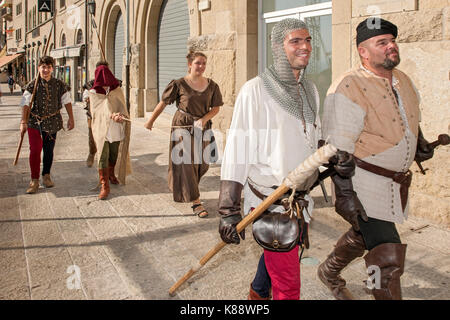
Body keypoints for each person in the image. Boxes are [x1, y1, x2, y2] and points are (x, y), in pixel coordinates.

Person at [318, 18, 435, 300]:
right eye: (381, 42)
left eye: (392, 40)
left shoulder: (403, 79)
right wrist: (344, 196)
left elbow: (408, 117)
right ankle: (380, 289)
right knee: (387, 255)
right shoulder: (350, 85)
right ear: (363, 51)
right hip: (363, 181)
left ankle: (328, 271)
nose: (391, 46)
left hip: (394, 184)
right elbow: (337, 148)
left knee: (364, 233)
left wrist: (418, 143)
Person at [217, 18, 323, 300]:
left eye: (308, 40)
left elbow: (313, 139)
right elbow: (238, 149)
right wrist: (228, 209)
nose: (306, 47)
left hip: (300, 200)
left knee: (279, 255)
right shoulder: (255, 90)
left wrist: (331, 161)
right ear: (277, 47)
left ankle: (257, 292)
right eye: (295, 41)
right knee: (288, 284)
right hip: (271, 202)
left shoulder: (310, 90)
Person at [144, 51, 223, 218]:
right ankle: (196, 201)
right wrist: (151, 121)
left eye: (203, 63)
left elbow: (216, 108)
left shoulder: (212, 85)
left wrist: (204, 119)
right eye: (197, 63)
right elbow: (163, 103)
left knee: (202, 164)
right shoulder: (179, 84)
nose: (201, 66)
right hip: (182, 126)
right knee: (187, 164)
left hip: (202, 128)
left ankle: (187, 187)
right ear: (189, 64)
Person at [19, 56, 75, 194]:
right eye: (43, 67)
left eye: (48, 67)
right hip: (34, 122)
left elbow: (66, 101)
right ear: (39, 68)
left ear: (52, 68)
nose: (45, 70)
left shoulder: (59, 84)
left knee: (49, 151)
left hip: (52, 122)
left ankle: (46, 175)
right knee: (35, 150)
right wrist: (23, 122)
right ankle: (34, 180)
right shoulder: (32, 84)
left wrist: (71, 118)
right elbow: (25, 104)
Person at [89, 61, 131, 200]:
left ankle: (111, 174)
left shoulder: (117, 90)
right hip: (102, 129)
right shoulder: (94, 92)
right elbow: (96, 112)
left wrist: (121, 115)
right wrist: (111, 115)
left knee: (113, 154)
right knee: (102, 156)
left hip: (116, 128)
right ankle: (104, 185)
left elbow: (123, 107)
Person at [82, 79, 96, 167]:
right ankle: (91, 154)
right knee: (92, 136)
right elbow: (86, 98)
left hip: (108, 116)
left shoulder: (112, 83)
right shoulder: (90, 85)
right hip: (92, 116)